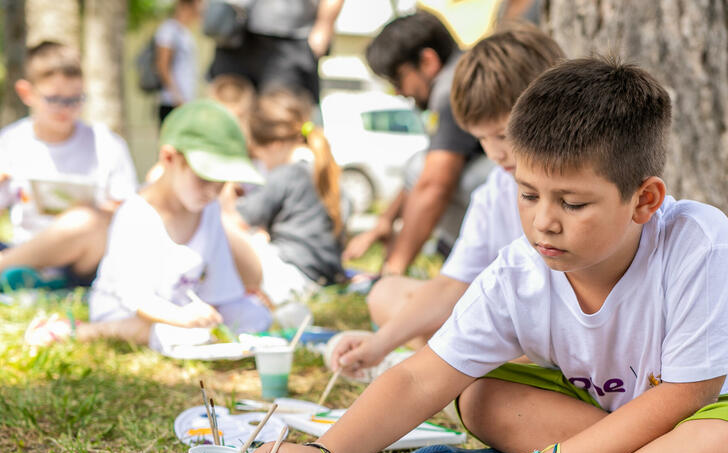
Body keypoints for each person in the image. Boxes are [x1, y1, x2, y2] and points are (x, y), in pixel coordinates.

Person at [240, 58, 728, 453]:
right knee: (477, 395)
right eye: (529, 193)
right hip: (602, 421)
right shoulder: (519, 271)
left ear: (644, 201)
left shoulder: (698, 240)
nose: (544, 222)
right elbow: (420, 379)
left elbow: (689, 394)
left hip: (723, 409)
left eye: (573, 203)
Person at [327, 25, 565, 378]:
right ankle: (456, 368)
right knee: (386, 294)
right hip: (513, 332)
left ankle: (456, 370)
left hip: (560, 339)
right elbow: (453, 284)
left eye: (502, 135)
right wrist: (380, 344)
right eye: (482, 139)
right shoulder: (496, 189)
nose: (495, 152)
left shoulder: (576, 190)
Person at [24, 100, 271, 351]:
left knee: (256, 315)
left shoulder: (209, 209)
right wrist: (182, 319)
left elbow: (220, 288)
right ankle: (81, 331)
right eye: (204, 177)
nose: (213, 191)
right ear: (169, 157)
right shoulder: (136, 213)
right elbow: (137, 299)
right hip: (129, 312)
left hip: (183, 311)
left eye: (221, 182)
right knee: (171, 334)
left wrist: (212, 315)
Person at [344, 11, 492, 277]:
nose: (399, 92)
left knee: (423, 167)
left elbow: (434, 183)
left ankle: (471, 265)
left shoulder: (450, 89)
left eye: (397, 79)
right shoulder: (464, 70)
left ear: (427, 61)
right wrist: (386, 220)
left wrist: (393, 270)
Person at [0, 41, 137, 288]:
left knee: (85, 222)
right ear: (27, 93)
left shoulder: (106, 144)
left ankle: (12, 271)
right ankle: (28, 276)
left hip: (83, 258)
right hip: (24, 246)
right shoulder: (11, 141)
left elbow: (129, 214)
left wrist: (104, 212)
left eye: (75, 99)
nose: (65, 109)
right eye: (54, 99)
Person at [221, 87, 346, 306]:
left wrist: (226, 189)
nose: (260, 161)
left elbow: (236, 221)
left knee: (221, 227)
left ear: (275, 145)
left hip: (294, 277)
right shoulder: (322, 166)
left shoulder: (287, 173)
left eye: (257, 152)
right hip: (324, 274)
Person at [207, 0, 344, 103]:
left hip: (289, 38)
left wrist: (325, 24)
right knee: (226, 108)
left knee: (282, 115)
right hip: (232, 29)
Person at [155, 0, 202, 124]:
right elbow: (162, 65)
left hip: (186, 102)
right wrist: (177, 97)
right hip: (172, 103)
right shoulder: (169, 29)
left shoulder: (185, 32)